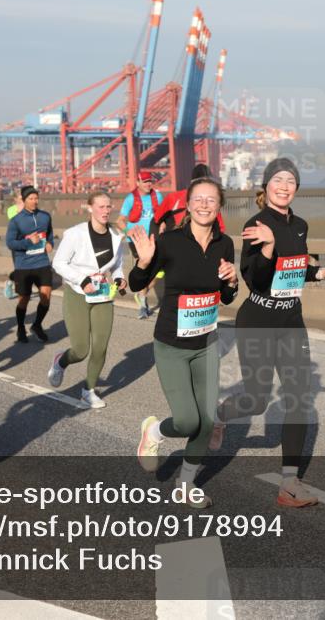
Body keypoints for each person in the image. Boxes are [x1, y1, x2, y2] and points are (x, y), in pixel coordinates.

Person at [209, 158, 325, 508]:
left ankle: (289, 483)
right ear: (266, 186)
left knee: (299, 399)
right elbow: (255, 278)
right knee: (257, 398)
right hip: (258, 320)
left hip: (291, 321)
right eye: (278, 180)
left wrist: (321, 274)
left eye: (291, 181)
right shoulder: (256, 224)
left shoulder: (299, 224)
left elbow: (295, 269)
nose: (284, 186)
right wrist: (267, 246)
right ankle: (220, 414)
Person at [132, 177, 238, 509]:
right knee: (188, 421)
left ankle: (186, 484)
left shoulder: (225, 244)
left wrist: (233, 281)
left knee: (207, 421)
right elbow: (136, 283)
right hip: (172, 346)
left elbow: (226, 297)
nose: (205, 205)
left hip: (206, 343)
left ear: (219, 207)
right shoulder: (169, 242)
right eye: (198, 199)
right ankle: (154, 432)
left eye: (211, 200)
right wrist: (145, 262)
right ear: (188, 205)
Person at [48, 191, 127, 408]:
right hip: (77, 294)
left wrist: (119, 278)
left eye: (108, 207)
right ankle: (60, 361)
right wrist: (82, 280)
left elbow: (118, 263)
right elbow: (59, 263)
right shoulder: (76, 234)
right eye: (100, 207)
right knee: (81, 350)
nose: (105, 211)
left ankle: (88, 390)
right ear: (90, 208)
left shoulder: (116, 235)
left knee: (100, 346)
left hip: (102, 295)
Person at [6, 186, 54, 343]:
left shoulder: (45, 216)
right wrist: (27, 242)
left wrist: (50, 244)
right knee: (24, 299)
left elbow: (50, 234)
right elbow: (10, 243)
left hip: (42, 262)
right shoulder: (16, 220)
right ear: (24, 200)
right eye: (31, 199)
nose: (34, 201)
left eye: (36, 198)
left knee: (46, 295)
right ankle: (20, 328)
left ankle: (37, 325)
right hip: (24, 265)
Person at [117, 171, 164, 319]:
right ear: (137, 183)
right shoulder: (131, 199)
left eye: (150, 181)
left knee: (161, 271)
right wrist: (127, 231)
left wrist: (163, 225)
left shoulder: (158, 196)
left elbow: (164, 215)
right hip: (137, 241)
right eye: (144, 181)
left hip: (155, 239)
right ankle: (143, 304)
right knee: (144, 269)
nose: (148, 184)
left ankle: (142, 293)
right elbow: (120, 221)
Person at [154, 164, 226, 234]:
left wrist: (163, 222)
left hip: (174, 239)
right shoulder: (210, 204)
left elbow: (157, 218)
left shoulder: (172, 197)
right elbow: (221, 228)